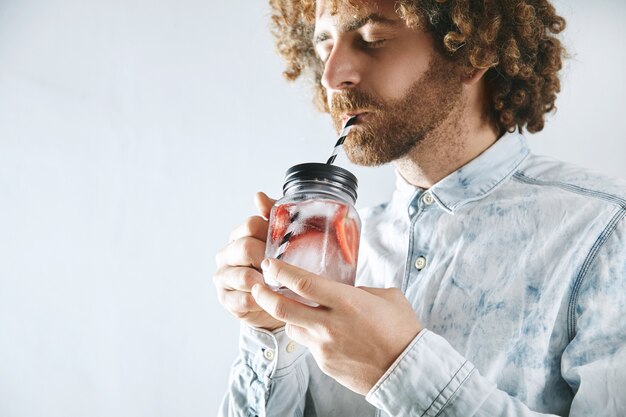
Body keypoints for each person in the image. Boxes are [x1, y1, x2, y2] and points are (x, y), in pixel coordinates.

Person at [214, 0, 626, 415]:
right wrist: (271, 328)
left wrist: (399, 369)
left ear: (472, 53)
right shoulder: (335, 246)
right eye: (324, 45)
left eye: (372, 39)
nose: (332, 75)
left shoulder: (606, 233)